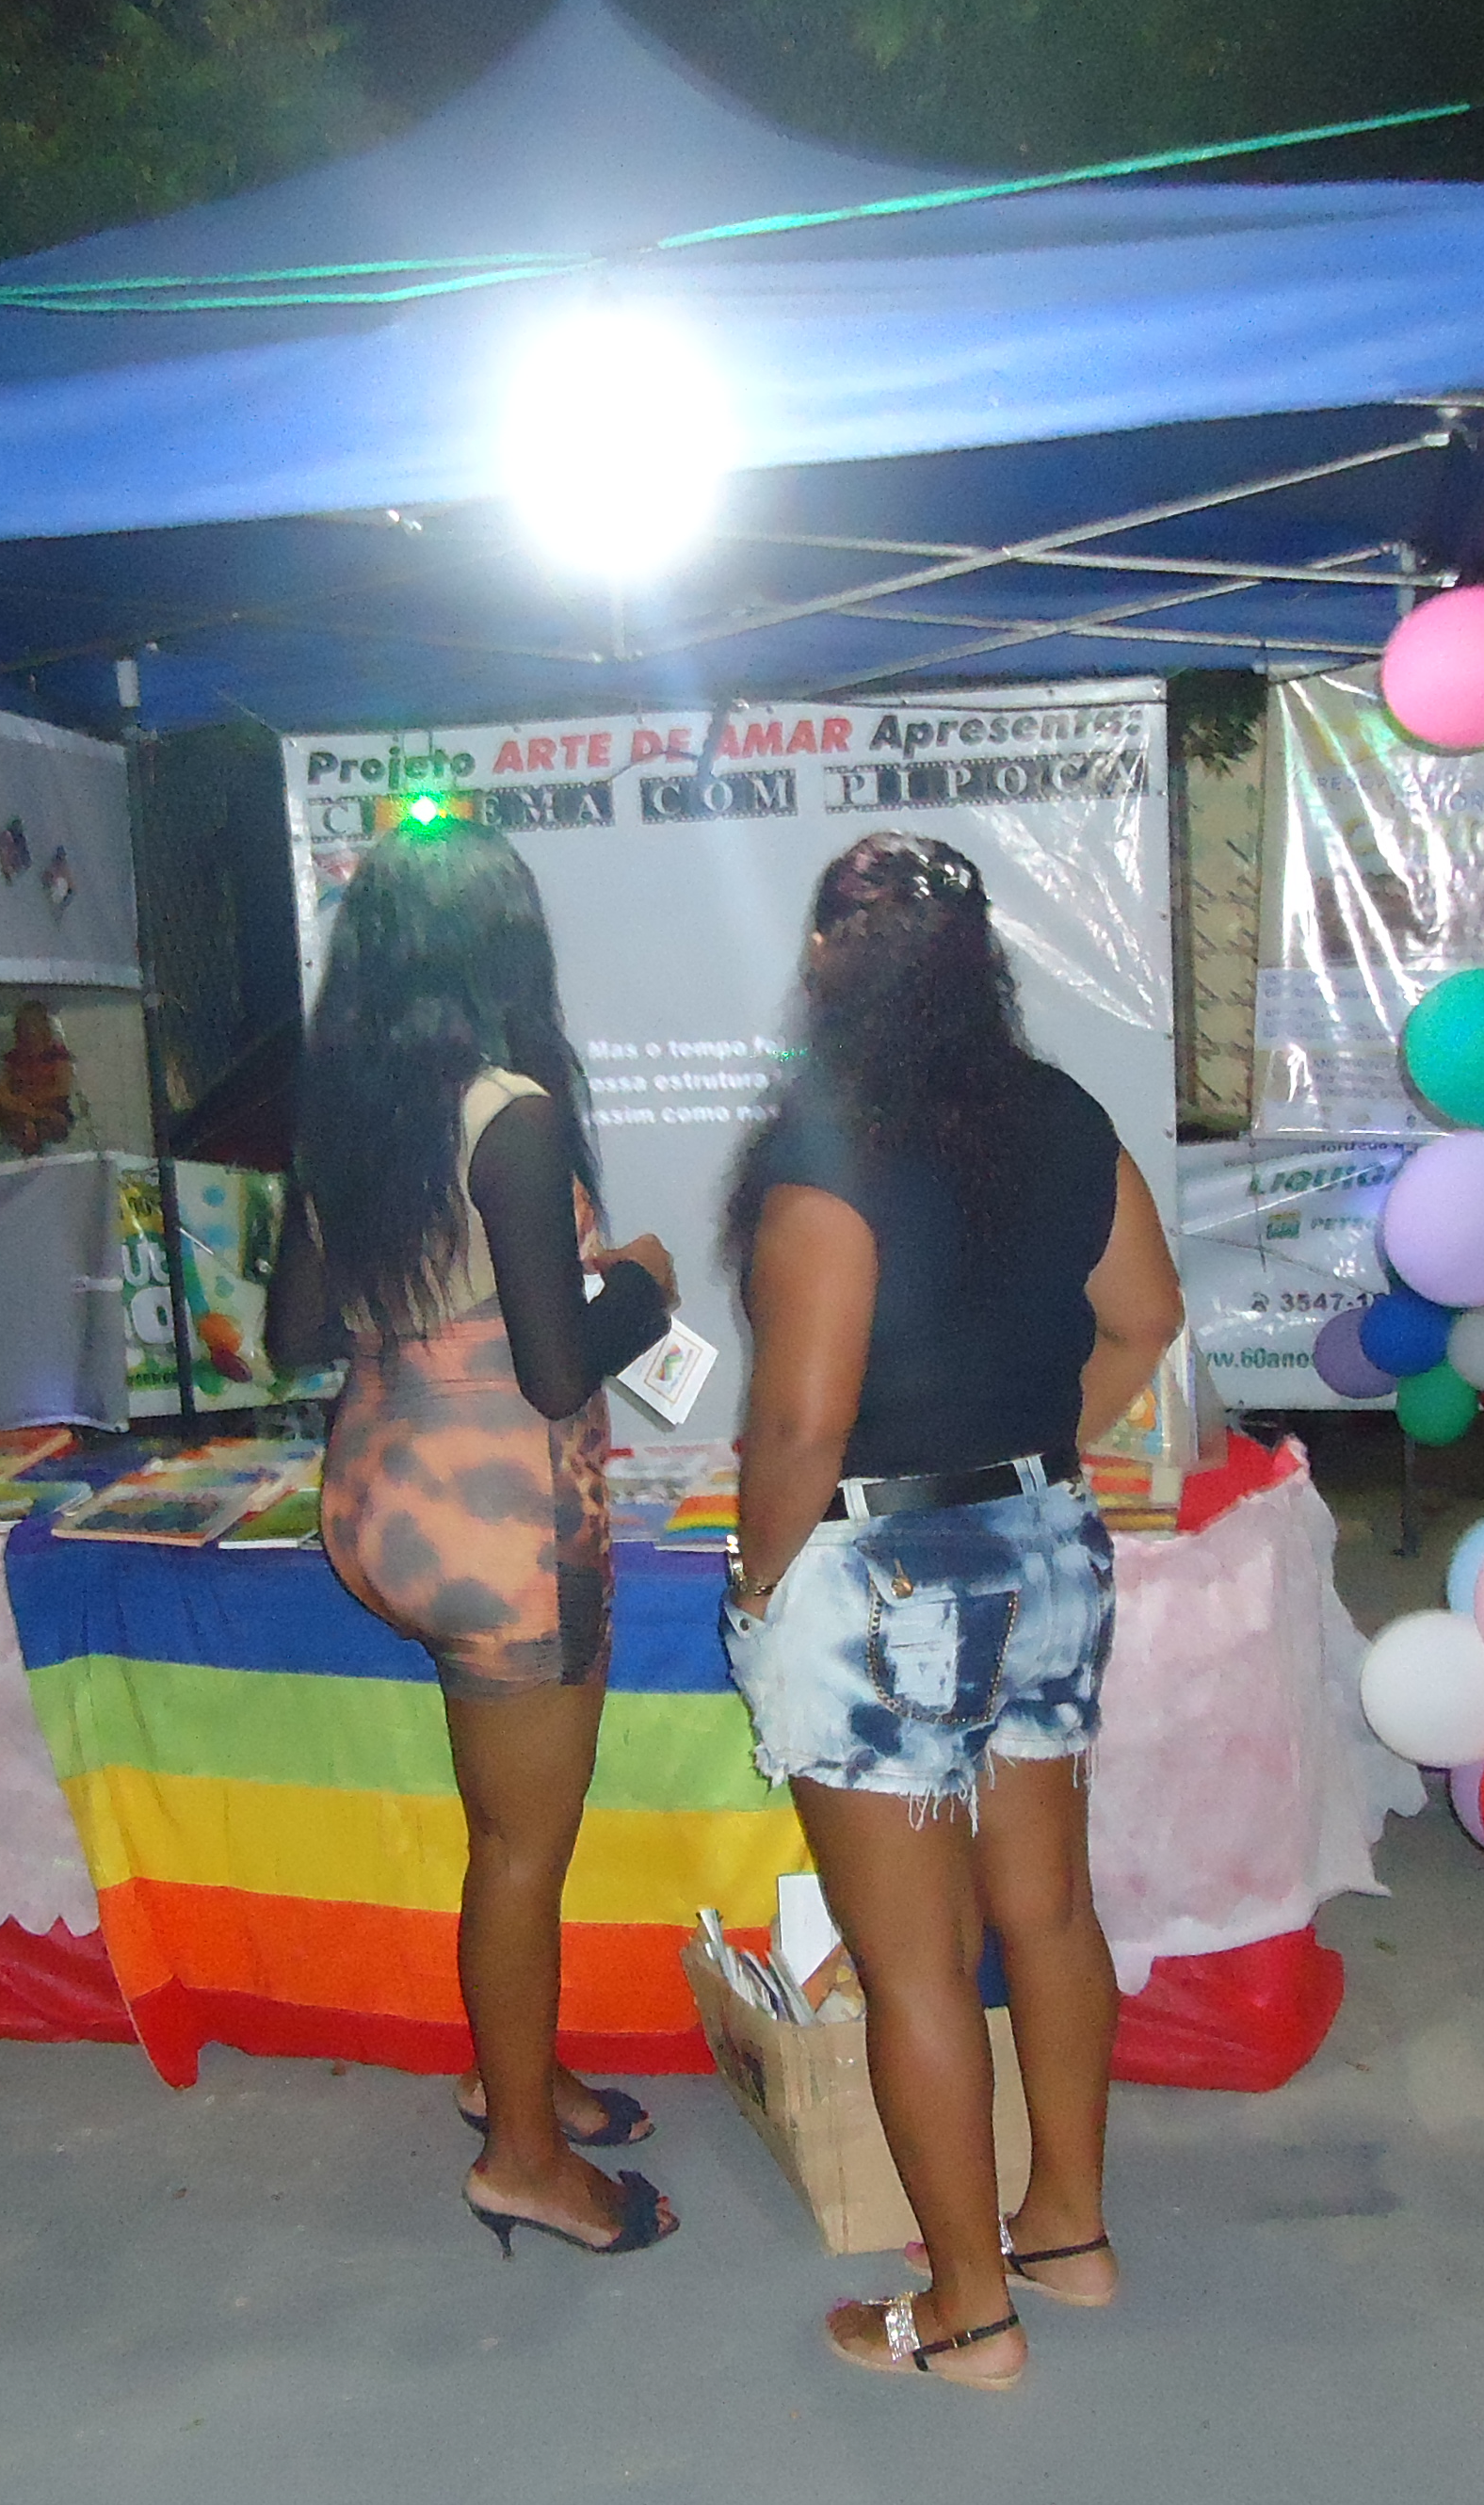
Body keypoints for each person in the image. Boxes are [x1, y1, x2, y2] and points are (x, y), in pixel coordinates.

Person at [717, 833, 1185, 2389]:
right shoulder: (1058, 1115)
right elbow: (1147, 1318)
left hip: (879, 1578)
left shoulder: (827, 1150)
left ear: (825, 960)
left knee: (915, 1962)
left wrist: (759, 1580)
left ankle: (968, 2315)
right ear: (982, 960)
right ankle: (1069, 2232)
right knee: (1048, 1911)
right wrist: (1028, 1461)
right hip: (1045, 1544)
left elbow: (800, 1427)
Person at [263, 824, 684, 2259]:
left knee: (506, 1835)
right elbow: (560, 1373)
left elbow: (296, 1331)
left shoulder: (347, 1115)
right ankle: (519, 2157)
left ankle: (520, 2074)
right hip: (502, 1518)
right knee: (521, 1846)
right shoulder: (510, 1112)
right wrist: (644, 1283)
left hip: (374, 1496)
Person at [0, 1000, 79, 1156]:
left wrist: (29, 1102)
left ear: (44, 1029)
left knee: (47, 1123)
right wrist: (27, 1108)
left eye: (33, 1026)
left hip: (53, 1115)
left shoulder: (57, 1056)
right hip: (24, 1112)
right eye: (23, 1028)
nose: (28, 1033)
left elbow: (61, 1090)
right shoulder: (15, 1059)